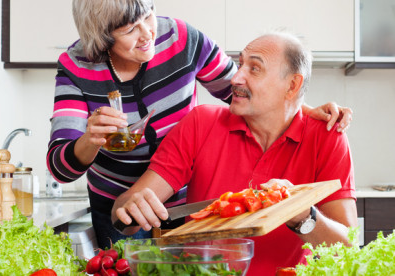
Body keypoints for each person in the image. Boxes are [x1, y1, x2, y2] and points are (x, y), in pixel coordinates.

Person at [47, 0, 353, 249]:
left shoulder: (182, 39)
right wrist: (90, 140)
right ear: (102, 37)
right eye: (129, 29)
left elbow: (245, 91)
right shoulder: (77, 65)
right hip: (124, 202)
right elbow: (62, 168)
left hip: (183, 202)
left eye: (149, 16)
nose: (147, 34)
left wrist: (303, 110)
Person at [111, 32, 357, 275]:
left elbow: (348, 249)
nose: (236, 78)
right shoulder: (200, 123)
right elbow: (123, 215)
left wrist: (304, 215)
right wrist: (131, 210)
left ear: (292, 85)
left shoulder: (327, 137)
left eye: (254, 69)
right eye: (240, 65)